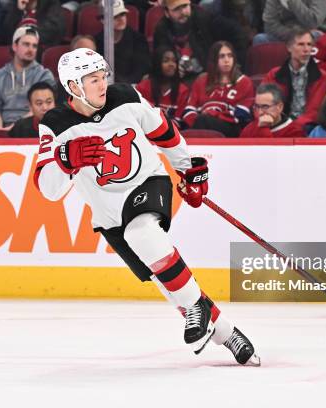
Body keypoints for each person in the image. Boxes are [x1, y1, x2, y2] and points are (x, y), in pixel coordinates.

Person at [34, 47, 260, 365]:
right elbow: (48, 190)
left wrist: (187, 168)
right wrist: (65, 160)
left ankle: (197, 307)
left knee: (142, 233)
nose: (102, 84)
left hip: (148, 184)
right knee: (162, 276)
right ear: (73, 87)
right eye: (93, 79)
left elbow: (163, 132)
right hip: (110, 214)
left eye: (103, 77)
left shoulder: (125, 96)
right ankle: (225, 331)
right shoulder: (55, 125)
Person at [153, 0, 247, 82]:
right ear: (166, 12)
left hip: (209, 76)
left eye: (185, 6)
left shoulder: (204, 19)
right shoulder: (161, 30)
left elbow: (237, 33)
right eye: (176, 9)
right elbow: (159, 61)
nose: (183, 12)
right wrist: (171, 69)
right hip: (179, 81)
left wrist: (235, 64)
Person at [0, 26, 56, 130]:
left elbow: (41, 109)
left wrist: (14, 129)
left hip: (32, 128)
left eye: (34, 46)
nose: (31, 49)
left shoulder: (44, 75)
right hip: (4, 128)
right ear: (14, 46)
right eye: (26, 44)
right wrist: (0, 131)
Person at [183, 41, 253, 137]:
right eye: (222, 56)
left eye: (230, 56)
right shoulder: (201, 80)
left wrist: (213, 114)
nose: (227, 60)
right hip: (200, 123)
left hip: (231, 127)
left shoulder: (244, 82)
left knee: (203, 121)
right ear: (214, 60)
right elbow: (189, 110)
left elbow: (242, 114)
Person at [261, 29, 326, 126]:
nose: (306, 49)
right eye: (301, 44)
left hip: (309, 127)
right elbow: (263, 104)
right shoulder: (273, 75)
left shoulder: (322, 77)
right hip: (279, 124)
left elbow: (315, 111)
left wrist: (294, 126)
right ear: (289, 47)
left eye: (309, 45)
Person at [94, 0, 150, 84]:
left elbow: (141, 69)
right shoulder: (97, 41)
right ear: (103, 20)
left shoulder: (138, 39)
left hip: (132, 86)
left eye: (123, 14)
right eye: (115, 16)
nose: (121, 19)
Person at [135, 46, 189, 128]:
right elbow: (138, 117)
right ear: (157, 64)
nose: (171, 64)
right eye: (166, 61)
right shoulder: (143, 88)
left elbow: (180, 121)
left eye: (174, 61)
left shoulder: (183, 90)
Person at [239, 83, 304, 138]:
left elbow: (270, 152)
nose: (260, 112)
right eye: (257, 106)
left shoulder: (295, 131)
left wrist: (264, 128)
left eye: (265, 107)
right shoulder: (250, 128)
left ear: (280, 107)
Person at [254, 0, 326, 44]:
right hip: (284, 34)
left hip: (310, 32)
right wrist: (292, 35)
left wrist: (293, 1)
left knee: (318, 36)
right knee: (260, 39)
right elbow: (269, 24)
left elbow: (313, 22)